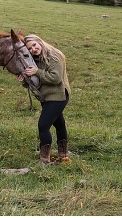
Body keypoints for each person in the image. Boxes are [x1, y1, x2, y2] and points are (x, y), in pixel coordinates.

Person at [17, 34, 71, 165]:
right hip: (46, 97)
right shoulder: (34, 59)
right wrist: (24, 81)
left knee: (43, 125)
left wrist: (37, 72)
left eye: (34, 45)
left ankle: (44, 160)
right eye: (29, 49)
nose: (33, 49)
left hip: (58, 95)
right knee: (59, 124)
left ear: (40, 42)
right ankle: (63, 155)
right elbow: (34, 81)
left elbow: (55, 78)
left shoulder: (54, 56)